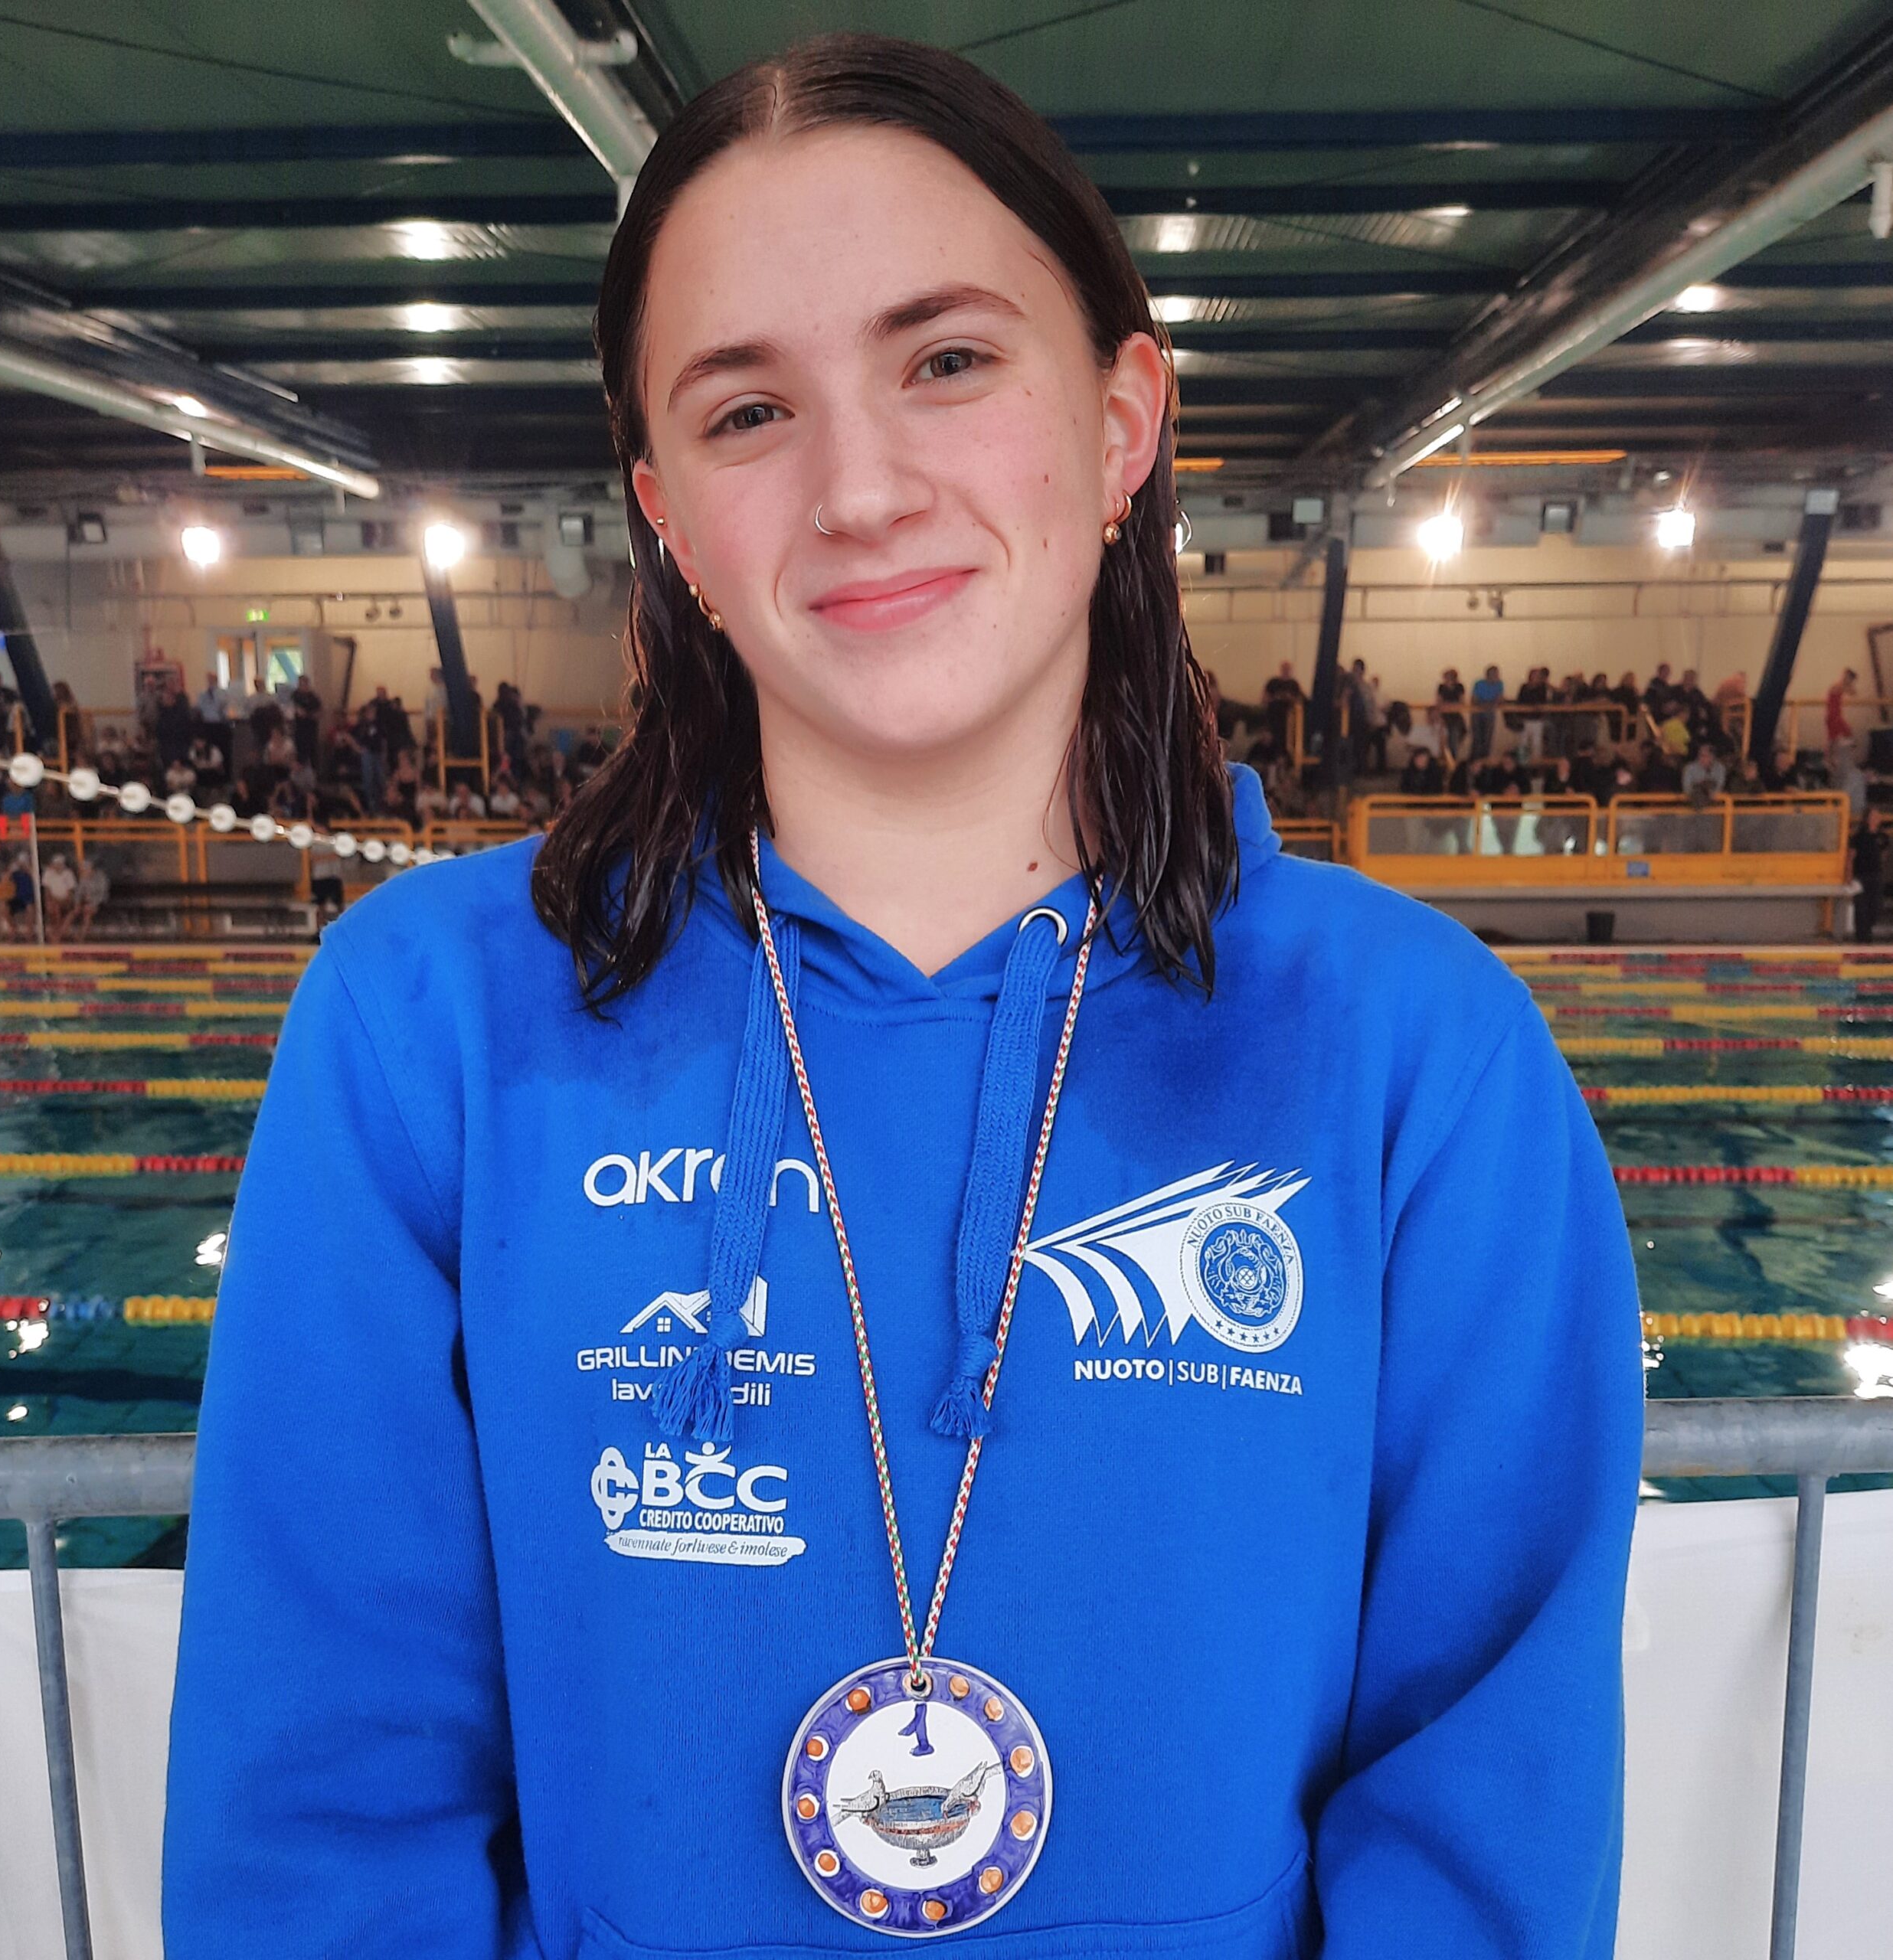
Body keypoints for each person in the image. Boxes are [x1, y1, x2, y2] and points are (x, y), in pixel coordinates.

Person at [162, 34, 1645, 1960]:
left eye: (946, 361)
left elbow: (1485, 1807)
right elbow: (319, 1816)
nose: (859, 487)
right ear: (669, 515)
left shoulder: (1416, 1055)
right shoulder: (426, 1030)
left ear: (1121, 424)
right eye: (749, 410)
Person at [1852, 805, 1887, 942]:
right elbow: (1851, 856)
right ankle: (1862, 936)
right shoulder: (1859, 836)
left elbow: (1883, 855)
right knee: (1861, 907)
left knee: (1875, 906)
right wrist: (1849, 876)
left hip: (1876, 875)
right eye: (1873, 816)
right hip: (1861, 875)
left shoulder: (1883, 837)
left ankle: (1869, 929)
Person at [69, 854, 109, 940]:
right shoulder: (84, 878)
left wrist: (92, 904)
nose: (83, 872)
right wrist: (77, 904)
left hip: (99, 902)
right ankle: (59, 935)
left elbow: (102, 894)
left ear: (90, 869)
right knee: (73, 913)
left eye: (85, 870)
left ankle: (81, 936)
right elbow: (79, 892)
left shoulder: (101, 877)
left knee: (87, 913)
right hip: (86, 902)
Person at [40, 851, 77, 940]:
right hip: (53, 900)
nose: (58, 866)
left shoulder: (68, 874)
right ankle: (56, 934)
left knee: (57, 909)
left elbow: (70, 893)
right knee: (53, 909)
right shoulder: (48, 873)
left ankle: (56, 934)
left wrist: (61, 901)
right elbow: (47, 891)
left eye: (60, 864)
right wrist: (50, 901)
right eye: (56, 864)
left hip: (65, 901)